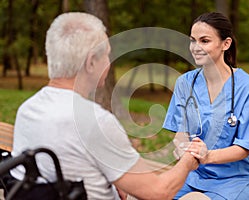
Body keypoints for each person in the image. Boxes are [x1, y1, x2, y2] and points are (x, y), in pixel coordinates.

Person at [10, 12, 204, 200]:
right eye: (107, 56)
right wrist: (188, 160)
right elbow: (159, 193)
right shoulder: (95, 121)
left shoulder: (28, 110)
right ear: (91, 62)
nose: (109, 63)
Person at [163, 12, 249, 200]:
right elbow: (181, 132)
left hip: (235, 181)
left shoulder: (247, 87)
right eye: (193, 40)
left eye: (204, 41)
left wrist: (207, 156)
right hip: (192, 176)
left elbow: (246, 146)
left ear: (225, 44)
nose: (195, 47)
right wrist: (180, 148)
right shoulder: (185, 83)